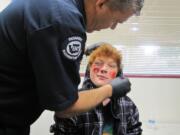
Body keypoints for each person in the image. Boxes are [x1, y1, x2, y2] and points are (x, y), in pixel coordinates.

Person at [0, 0, 144, 134]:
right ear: (101, 3)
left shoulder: (55, 9)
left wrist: (80, 49)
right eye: (115, 21)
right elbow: (64, 108)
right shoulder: (62, 20)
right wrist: (110, 89)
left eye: (111, 65)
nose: (112, 27)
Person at [50, 43, 142, 135]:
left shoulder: (128, 105)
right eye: (98, 63)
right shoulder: (75, 101)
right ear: (89, 69)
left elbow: (135, 131)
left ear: (118, 73)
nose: (103, 69)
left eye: (111, 66)